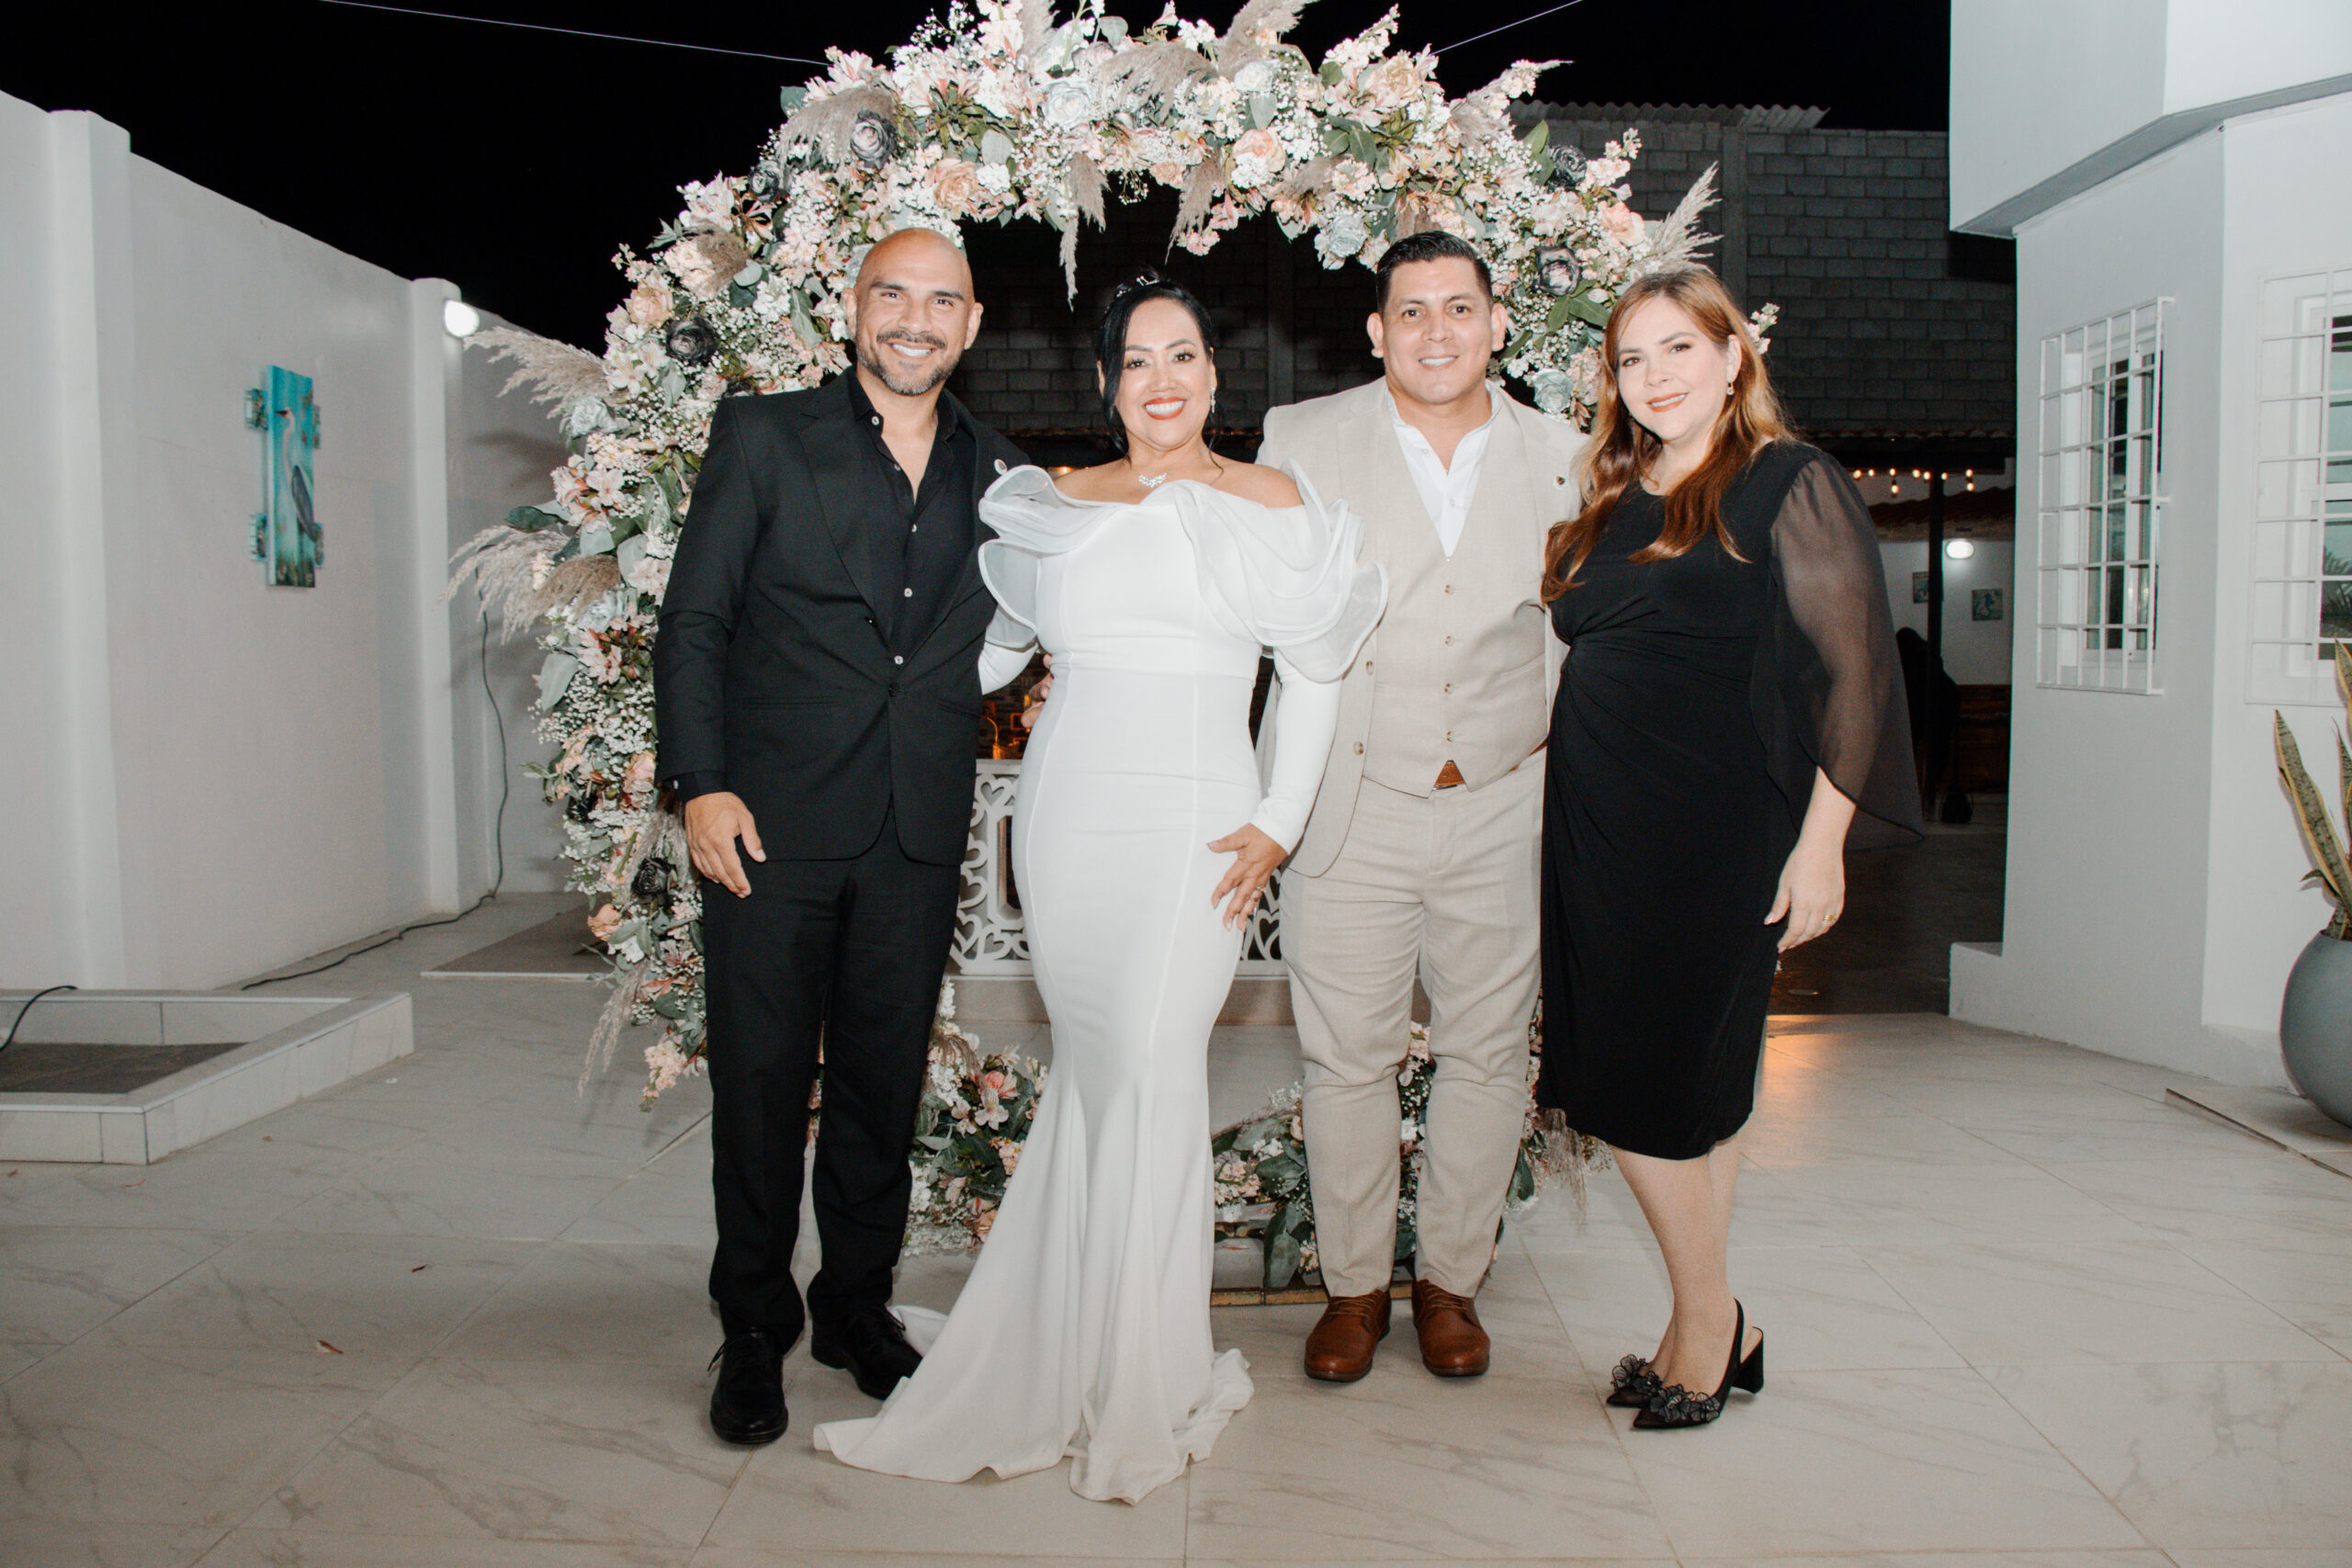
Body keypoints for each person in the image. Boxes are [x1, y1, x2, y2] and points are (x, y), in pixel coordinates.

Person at [814, 276, 1384, 1501]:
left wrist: (1278, 821)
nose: (1160, 381)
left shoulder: (1275, 503)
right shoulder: (1057, 504)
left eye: (1182, 356)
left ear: (1214, 375)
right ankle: (1068, 1337)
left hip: (1200, 825)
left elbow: (1315, 674)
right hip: (1070, 817)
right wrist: (838, 672)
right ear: (1107, 382)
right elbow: (982, 656)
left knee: (1157, 1065)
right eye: (1136, 360)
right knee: (1094, 1070)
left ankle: (1143, 1369)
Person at [652, 228, 1035, 1447]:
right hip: (766, 827)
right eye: (892, 294)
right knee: (762, 1085)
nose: (915, 318)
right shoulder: (766, 437)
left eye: (941, 299)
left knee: (881, 1087)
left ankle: (854, 1309)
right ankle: (752, 1325)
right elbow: (695, 620)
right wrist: (701, 786)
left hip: (914, 829)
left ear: (972, 324)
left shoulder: (1007, 476)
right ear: (853, 308)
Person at [1537, 265, 1921, 1429]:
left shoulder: (1786, 481)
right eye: (1631, 358)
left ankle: (1710, 1322)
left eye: (1677, 349)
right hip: (1596, 831)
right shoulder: (1612, 495)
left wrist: (1822, 846)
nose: (1654, 376)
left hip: (1712, 832)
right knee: (1671, 1088)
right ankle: (1704, 1323)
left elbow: (1856, 675)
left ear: (1731, 354)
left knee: (1649, 1087)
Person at [1257, 230, 1585, 1382]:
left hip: (1505, 798)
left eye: (1458, 308)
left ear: (1496, 324)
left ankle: (1451, 1283)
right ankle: (1353, 1291)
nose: (1435, 331)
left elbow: (1583, 635)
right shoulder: (1300, 441)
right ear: (1375, 330)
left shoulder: (1567, 455)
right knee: (1345, 1057)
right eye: (1411, 310)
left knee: (1486, 1056)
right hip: (1352, 800)